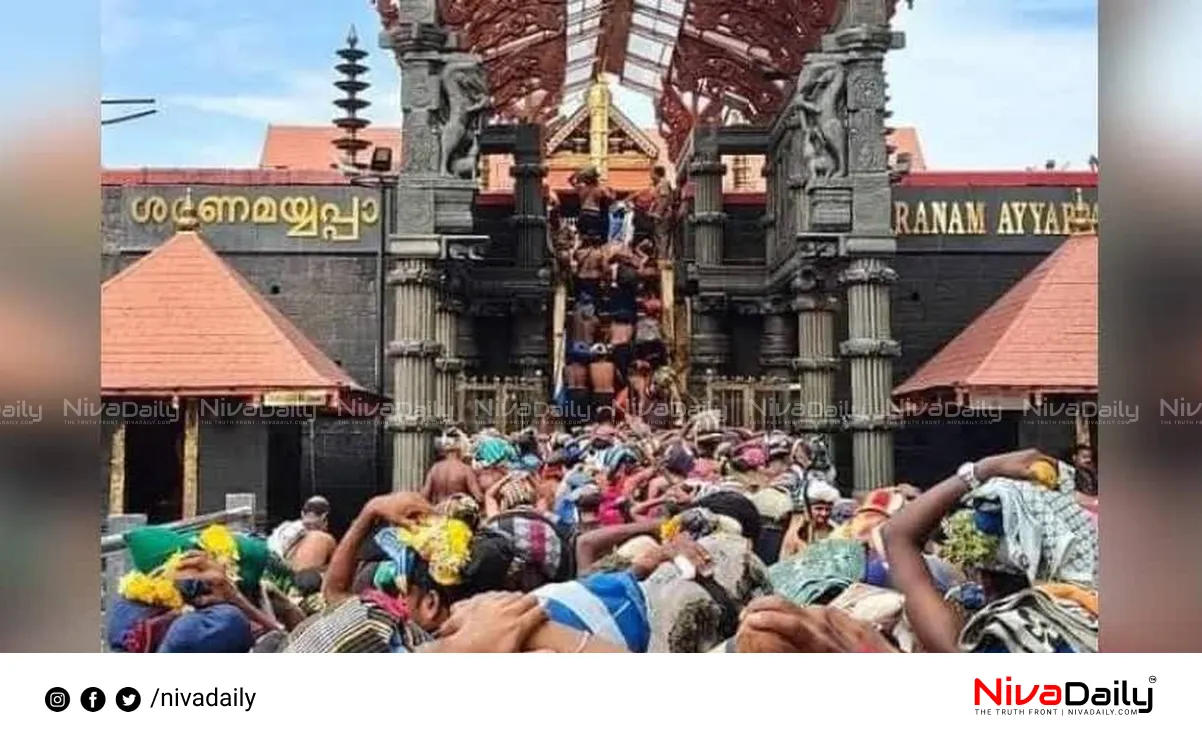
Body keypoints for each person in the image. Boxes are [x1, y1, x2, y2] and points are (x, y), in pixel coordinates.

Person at [267, 496, 336, 572]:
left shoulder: (284, 529)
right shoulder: (320, 537)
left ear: (302, 514)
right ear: (324, 517)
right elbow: (305, 574)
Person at [422, 429, 484, 506]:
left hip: (439, 511)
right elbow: (478, 497)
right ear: (461, 448)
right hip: (457, 513)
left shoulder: (435, 468)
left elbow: (425, 495)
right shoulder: (465, 469)